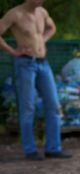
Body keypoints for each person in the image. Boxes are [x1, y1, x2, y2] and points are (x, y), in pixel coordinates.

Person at [0, 0, 71, 160]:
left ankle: (53, 148)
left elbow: (52, 28)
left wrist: (42, 41)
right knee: (28, 107)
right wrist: (13, 51)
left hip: (43, 63)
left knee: (53, 105)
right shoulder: (15, 14)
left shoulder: (42, 12)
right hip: (25, 64)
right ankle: (30, 150)